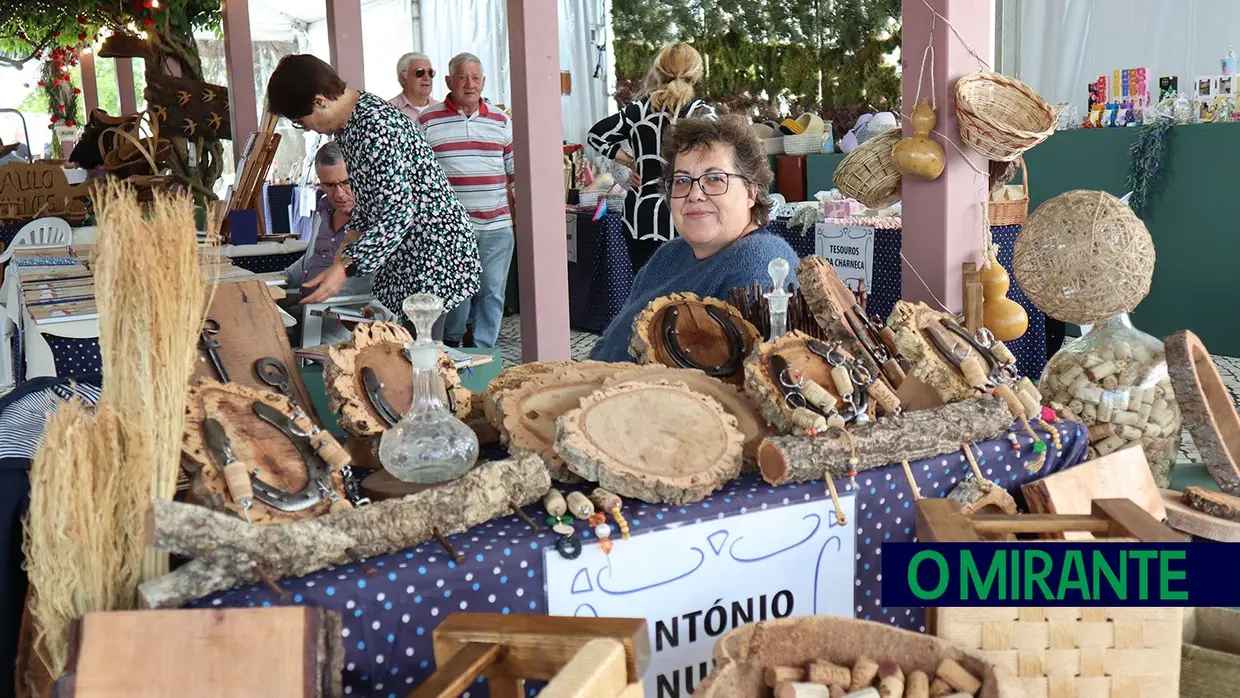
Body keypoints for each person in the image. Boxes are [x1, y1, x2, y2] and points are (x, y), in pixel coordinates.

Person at [264, 54, 480, 340]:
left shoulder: (373, 128)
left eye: (301, 121)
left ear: (319, 101)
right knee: (410, 353)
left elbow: (397, 213)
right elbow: (371, 195)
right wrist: (351, 237)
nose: (308, 129)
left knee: (422, 355)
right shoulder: (353, 123)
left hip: (431, 255)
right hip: (411, 254)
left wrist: (345, 266)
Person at [589, 115, 800, 363]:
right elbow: (613, 337)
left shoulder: (758, 266)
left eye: (714, 179)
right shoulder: (669, 254)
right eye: (682, 180)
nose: (694, 194)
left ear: (751, 193)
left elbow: (732, 389)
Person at [587, 42, 715, 273]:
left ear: (659, 72)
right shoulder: (702, 113)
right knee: (685, 291)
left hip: (640, 214)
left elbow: (596, 135)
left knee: (645, 290)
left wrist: (629, 160)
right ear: (695, 74)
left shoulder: (637, 110)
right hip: (687, 211)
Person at [419, 52, 515, 349]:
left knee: (492, 292)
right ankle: (450, 346)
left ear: (483, 82)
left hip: (497, 226)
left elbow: (515, 174)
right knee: (455, 294)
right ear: (449, 81)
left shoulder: (501, 121)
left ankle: (483, 352)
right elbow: (420, 178)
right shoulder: (427, 120)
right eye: (462, 77)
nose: (470, 84)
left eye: (475, 78)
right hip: (450, 229)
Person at [389, 52, 437, 123]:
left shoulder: (442, 109)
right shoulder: (388, 111)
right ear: (403, 78)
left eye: (430, 72)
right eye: (419, 72)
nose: (427, 78)